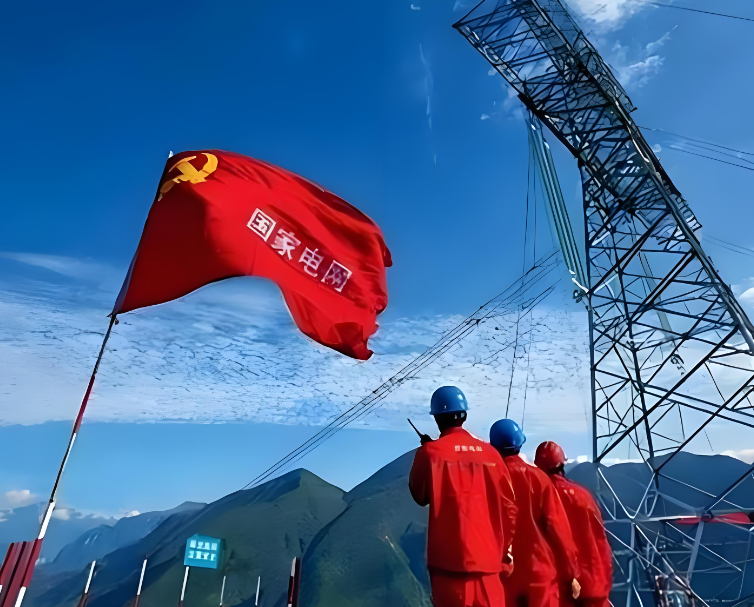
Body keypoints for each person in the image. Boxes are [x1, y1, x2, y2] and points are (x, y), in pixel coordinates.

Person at [409, 386, 518, 607]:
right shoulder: (492, 454)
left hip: (448, 570)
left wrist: (428, 456)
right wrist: (505, 550)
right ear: (464, 415)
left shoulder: (429, 453)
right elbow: (510, 508)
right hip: (489, 566)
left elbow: (420, 495)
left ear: (437, 419)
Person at [489, 420, 580, 607]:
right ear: (520, 444)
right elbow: (558, 530)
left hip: (502, 576)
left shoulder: (489, 478)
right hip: (539, 575)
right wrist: (571, 574)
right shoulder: (540, 479)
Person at [534, 442, 613, 607]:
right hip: (596, 580)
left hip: (564, 585)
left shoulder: (541, 495)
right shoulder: (584, 495)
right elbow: (601, 537)